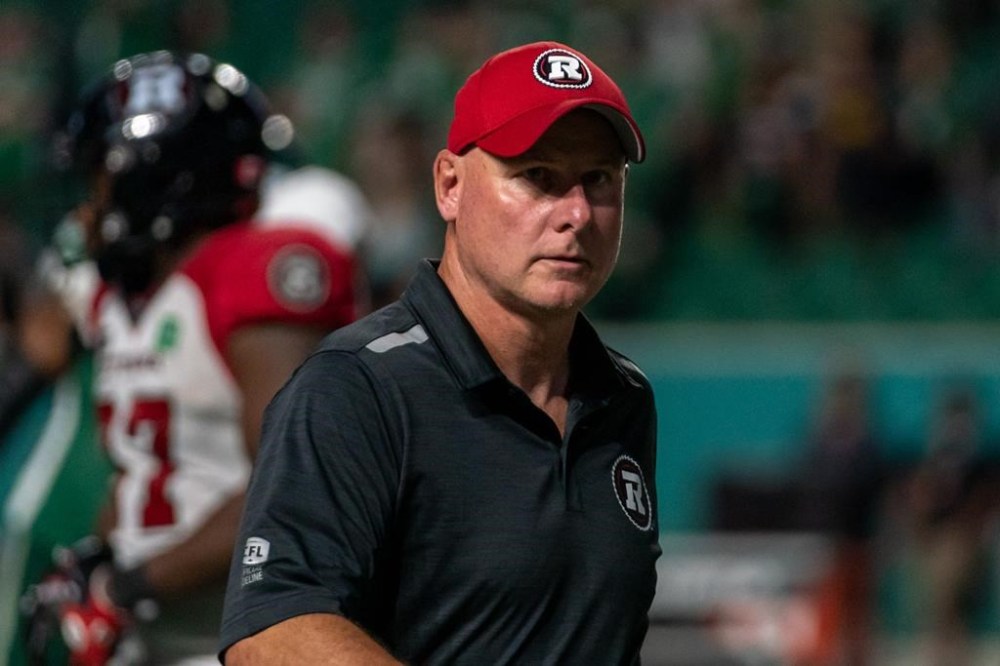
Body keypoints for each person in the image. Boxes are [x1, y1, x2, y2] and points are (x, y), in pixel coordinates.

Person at [220, 40, 661, 664]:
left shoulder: (623, 398)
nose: (576, 214)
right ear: (450, 186)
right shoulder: (357, 386)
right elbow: (272, 634)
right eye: (537, 177)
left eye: (599, 180)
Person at [16, 51, 361, 665]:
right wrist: (98, 563)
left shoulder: (250, 273)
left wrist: (125, 588)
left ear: (156, 182)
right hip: (160, 635)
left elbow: (294, 485)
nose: (86, 211)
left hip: (243, 640)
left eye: (100, 184)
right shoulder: (124, 297)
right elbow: (146, 470)